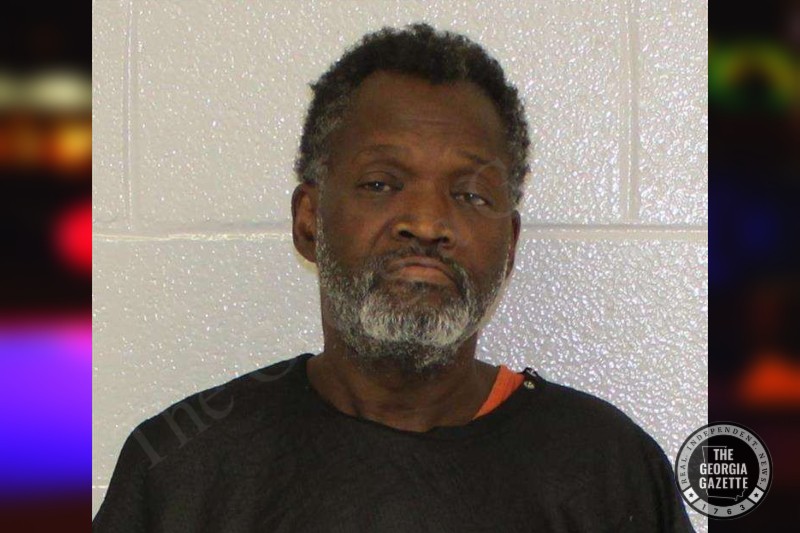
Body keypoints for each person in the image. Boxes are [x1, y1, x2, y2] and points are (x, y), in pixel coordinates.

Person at [94, 23, 694, 532]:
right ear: (309, 221)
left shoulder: (606, 469)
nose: (427, 223)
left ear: (510, 245)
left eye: (470, 195)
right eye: (381, 184)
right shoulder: (184, 467)